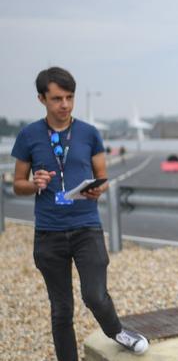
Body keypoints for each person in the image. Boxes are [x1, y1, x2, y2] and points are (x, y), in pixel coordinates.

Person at [11, 67, 148, 360]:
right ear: (41, 99)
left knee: (95, 295)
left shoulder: (89, 133)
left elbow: (102, 176)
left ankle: (117, 332)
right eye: (57, 98)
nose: (65, 105)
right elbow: (17, 184)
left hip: (87, 228)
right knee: (61, 309)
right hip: (48, 232)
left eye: (70, 97)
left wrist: (97, 189)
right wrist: (33, 183)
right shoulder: (28, 135)